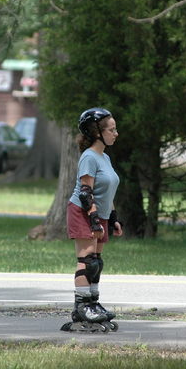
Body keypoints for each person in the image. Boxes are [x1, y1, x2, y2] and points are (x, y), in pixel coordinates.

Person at [63, 107, 123, 332]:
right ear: (97, 132)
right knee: (87, 260)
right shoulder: (89, 157)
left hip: (100, 214)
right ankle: (82, 307)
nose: (116, 133)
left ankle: (93, 304)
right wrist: (95, 220)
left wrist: (113, 218)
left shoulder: (104, 157)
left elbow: (106, 192)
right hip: (83, 211)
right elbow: (86, 193)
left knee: (97, 262)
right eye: (111, 130)